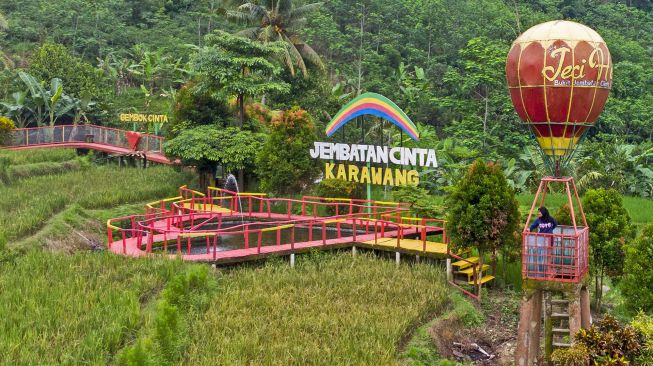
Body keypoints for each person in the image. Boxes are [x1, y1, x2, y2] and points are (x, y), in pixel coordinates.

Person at [528, 207, 558, 277]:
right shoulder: (538, 220)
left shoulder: (550, 219)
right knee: (541, 253)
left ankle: (548, 269)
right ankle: (541, 269)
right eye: (538, 212)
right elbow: (532, 226)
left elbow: (555, 224)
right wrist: (529, 229)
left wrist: (550, 229)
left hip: (549, 239)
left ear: (543, 213)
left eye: (539, 212)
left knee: (548, 254)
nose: (538, 213)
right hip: (541, 239)